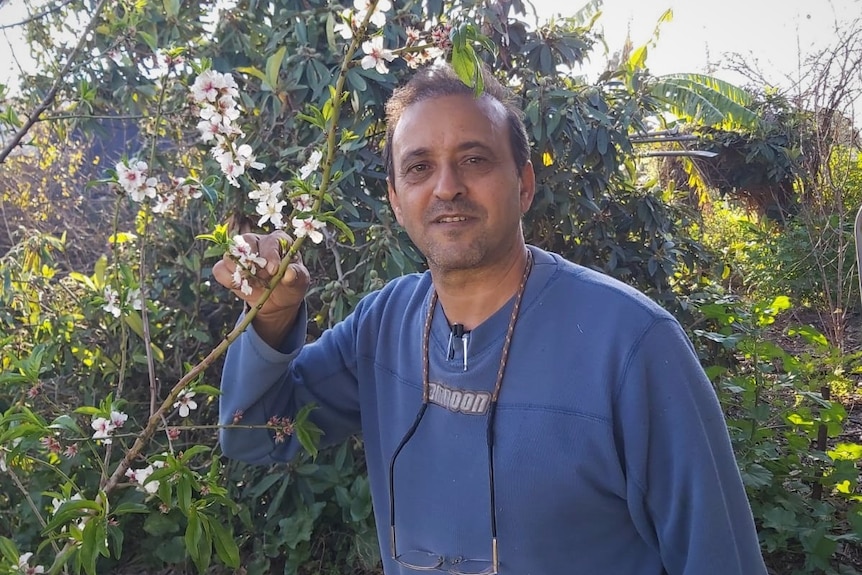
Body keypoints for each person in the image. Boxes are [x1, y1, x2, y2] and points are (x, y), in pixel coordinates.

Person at [214, 61, 768, 575]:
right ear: (396, 199)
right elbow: (255, 435)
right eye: (419, 167)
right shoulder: (383, 328)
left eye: (474, 159)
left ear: (524, 184)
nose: (447, 185)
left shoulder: (631, 345)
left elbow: (719, 555)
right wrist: (272, 319)